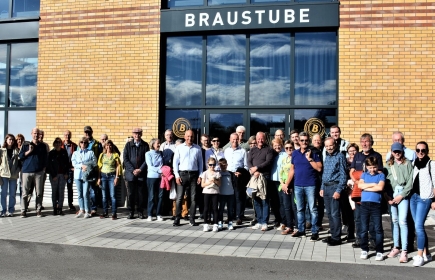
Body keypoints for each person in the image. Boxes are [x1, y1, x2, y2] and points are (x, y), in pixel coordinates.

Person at [286, 131, 322, 241]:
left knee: (312, 209)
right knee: (299, 209)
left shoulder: (314, 152)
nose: (304, 142)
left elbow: (319, 168)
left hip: (310, 185)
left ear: (309, 141)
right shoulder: (295, 153)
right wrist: (287, 184)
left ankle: (315, 232)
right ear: (299, 141)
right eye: (302, 140)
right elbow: (292, 170)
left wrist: (310, 158)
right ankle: (301, 230)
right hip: (298, 185)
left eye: (306, 140)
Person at [349, 133, 383, 249]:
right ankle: (360, 240)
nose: (364, 144)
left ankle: (373, 241)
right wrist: (356, 182)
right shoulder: (357, 155)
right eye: (362, 142)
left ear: (371, 142)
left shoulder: (377, 156)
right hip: (359, 191)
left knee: (373, 220)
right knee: (358, 217)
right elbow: (352, 171)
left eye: (367, 141)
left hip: (371, 192)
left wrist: (366, 184)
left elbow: (380, 173)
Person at [384, 142, 412, 263]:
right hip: (391, 194)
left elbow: (410, 182)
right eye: (394, 151)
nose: (396, 153)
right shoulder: (388, 165)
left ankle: (404, 250)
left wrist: (402, 195)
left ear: (402, 151)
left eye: (398, 151)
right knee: (394, 221)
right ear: (391, 152)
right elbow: (384, 182)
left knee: (402, 221)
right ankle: (396, 247)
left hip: (403, 194)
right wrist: (387, 196)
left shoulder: (408, 164)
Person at [410, 141, 435, 267]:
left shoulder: (432, 164)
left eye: (423, 150)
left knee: (419, 226)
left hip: (425, 198)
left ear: (427, 151)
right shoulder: (414, 163)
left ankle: (419, 256)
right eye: (418, 150)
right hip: (413, 197)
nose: (420, 152)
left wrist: (434, 201)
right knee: (418, 226)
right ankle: (427, 253)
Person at [173, 129, 203, 226]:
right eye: (188, 136)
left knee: (193, 198)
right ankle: (177, 218)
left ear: (194, 137)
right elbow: (175, 163)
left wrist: (200, 175)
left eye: (192, 136)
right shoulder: (179, 148)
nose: (190, 138)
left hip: (194, 175)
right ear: (185, 137)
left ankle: (192, 219)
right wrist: (177, 176)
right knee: (179, 198)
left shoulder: (197, 148)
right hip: (182, 174)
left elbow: (201, 163)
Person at [320, 137, 347, 246]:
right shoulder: (327, 157)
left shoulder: (340, 156)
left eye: (330, 145)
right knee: (330, 214)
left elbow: (343, 176)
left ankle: (337, 238)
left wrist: (339, 190)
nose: (329, 148)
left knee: (335, 213)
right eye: (326, 146)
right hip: (326, 187)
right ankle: (333, 234)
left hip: (334, 187)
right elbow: (325, 174)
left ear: (335, 144)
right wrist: (322, 187)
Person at [358, 156, 385, 261]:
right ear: (366, 167)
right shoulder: (364, 174)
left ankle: (379, 251)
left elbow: (380, 187)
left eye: (374, 167)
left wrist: (367, 186)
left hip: (376, 205)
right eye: (370, 167)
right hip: (364, 204)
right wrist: (373, 184)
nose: (372, 170)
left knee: (378, 229)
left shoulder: (381, 175)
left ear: (377, 166)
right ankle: (364, 249)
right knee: (364, 229)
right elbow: (360, 186)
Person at [247, 132, 274, 231]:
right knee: (255, 199)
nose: (260, 140)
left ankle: (264, 222)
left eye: (262, 138)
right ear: (256, 139)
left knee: (264, 200)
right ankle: (258, 221)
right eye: (258, 139)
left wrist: (257, 168)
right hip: (254, 177)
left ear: (265, 139)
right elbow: (248, 161)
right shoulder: (252, 150)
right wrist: (253, 170)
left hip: (264, 177)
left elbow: (268, 162)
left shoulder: (269, 150)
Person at [19, 128, 48, 218]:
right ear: (31, 134)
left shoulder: (42, 146)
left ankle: (38, 210)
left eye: (37, 133)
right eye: (34, 133)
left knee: (39, 192)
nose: (36, 135)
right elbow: (20, 157)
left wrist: (43, 168)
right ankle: (23, 210)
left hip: (39, 172)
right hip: (27, 171)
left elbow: (45, 158)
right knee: (25, 193)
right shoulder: (26, 144)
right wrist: (29, 151)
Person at [123, 127, 149, 219]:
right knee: (131, 194)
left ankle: (140, 212)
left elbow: (147, 160)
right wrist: (133, 170)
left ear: (141, 134)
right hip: (131, 174)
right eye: (135, 133)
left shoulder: (145, 145)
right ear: (133, 134)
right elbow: (125, 159)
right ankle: (131, 212)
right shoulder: (128, 145)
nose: (137, 135)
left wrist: (140, 169)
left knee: (141, 194)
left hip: (141, 174)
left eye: (138, 133)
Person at [224, 132, 249, 225]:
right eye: (233, 139)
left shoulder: (243, 151)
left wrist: (241, 172)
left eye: (236, 139)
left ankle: (239, 217)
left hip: (238, 176)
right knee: (230, 197)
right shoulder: (226, 151)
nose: (235, 141)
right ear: (230, 140)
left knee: (239, 197)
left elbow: (246, 166)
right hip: (228, 175)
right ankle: (230, 216)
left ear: (239, 140)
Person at [72, 137, 97, 219]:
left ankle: (87, 211)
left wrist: (87, 166)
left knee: (85, 193)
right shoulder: (75, 153)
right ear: (79, 143)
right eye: (81, 142)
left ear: (87, 144)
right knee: (80, 194)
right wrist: (81, 166)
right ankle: (81, 209)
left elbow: (94, 162)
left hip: (87, 176)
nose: (83, 144)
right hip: (78, 175)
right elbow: (74, 163)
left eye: (85, 143)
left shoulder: (90, 152)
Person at [97, 139, 121, 220]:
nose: (109, 146)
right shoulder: (102, 155)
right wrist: (99, 178)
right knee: (104, 196)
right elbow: (99, 167)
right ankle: (105, 212)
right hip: (103, 176)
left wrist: (117, 177)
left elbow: (118, 166)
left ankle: (114, 213)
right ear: (105, 146)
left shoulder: (115, 155)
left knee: (113, 196)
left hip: (112, 176)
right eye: (107, 145)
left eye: (110, 145)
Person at [81, 126, 101, 216]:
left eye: (89, 132)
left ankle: (93, 208)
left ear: (92, 132)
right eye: (86, 132)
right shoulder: (81, 142)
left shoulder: (96, 143)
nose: (87, 134)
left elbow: (100, 155)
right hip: (84, 171)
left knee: (93, 191)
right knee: (85, 191)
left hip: (93, 170)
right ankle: (86, 208)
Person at [47, 137, 69, 216]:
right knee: (54, 192)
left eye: (59, 142)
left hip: (62, 175)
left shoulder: (64, 152)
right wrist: (53, 175)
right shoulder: (51, 153)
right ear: (54, 144)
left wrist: (66, 173)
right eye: (56, 143)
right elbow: (49, 165)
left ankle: (60, 208)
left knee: (61, 192)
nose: (58, 144)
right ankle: (54, 208)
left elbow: (67, 163)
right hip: (54, 175)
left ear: (61, 144)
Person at [341, 143, 359, 242]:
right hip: (346, 189)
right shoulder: (345, 161)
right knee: (347, 213)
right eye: (350, 151)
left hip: (356, 188)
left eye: (354, 150)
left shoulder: (359, 161)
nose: (352, 152)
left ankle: (359, 235)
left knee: (356, 213)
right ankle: (350, 234)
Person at [0, 134, 20, 217]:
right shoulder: (1, 150)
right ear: (6, 140)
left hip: (13, 175)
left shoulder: (16, 150)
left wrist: (17, 170)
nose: (11, 141)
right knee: (3, 193)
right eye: (9, 139)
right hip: (4, 174)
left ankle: (11, 210)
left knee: (12, 194)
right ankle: (3, 210)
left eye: (12, 139)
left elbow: (19, 163)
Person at [279, 140, 297, 235]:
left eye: (291, 147)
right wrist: (282, 183)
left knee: (295, 207)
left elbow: (294, 172)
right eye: (287, 148)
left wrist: (287, 184)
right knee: (287, 207)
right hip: (284, 185)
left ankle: (297, 227)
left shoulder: (296, 158)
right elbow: (280, 173)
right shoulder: (284, 159)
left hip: (293, 185)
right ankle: (289, 226)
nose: (289, 149)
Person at [200, 157, 221, 232]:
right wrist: (209, 182)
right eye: (210, 165)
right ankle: (206, 224)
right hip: (207, 192)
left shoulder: (217, 173)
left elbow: (219, 184)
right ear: (207, 164)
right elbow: (202, 185)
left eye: (214, 165)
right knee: (206, 208)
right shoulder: (205, 173)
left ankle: (215, 224)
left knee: (215, 209)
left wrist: (215, 180)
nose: (212, 166)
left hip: (215, 192)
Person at [145, 138, 164, 222]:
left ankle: (158, 214)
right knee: (151, 196)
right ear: (153, 144)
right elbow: (150, 166)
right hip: (151, 177)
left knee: (160, 196)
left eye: (159, 143)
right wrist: (159, 170)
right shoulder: (148, 154)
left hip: (161, 178)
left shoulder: (160, 153)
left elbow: (162, 164)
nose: (159, 145)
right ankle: (150, 214)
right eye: (158, 143)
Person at [270, 138, 285, 229]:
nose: (277, 147)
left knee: (282, 202)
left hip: (281, 181)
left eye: (278, 145)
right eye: (275, 145)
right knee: (274, 202)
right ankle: (277, 219)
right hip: (272, 181)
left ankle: (283, 220)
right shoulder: (271, 155)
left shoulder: (285, 155)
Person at [61, 130, 78, 211]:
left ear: (70, 136)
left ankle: (70, 204)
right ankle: (59, 203)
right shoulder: (60, 144)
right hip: (61, 169)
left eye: (68, 135)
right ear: (64, 136)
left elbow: (77, 157)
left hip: (70, 169)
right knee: (61, 187)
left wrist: (74, 167)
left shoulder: (74, 146)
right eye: (66, 135)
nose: (67, 136)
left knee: (69, 186)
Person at [217, 158, 236, 230]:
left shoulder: (230, 173)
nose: (223, 167)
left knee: (230, 210)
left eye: (224, 165)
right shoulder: (218, 173)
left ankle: (230, 222)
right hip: (221, 194)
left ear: (227, 165)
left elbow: (234, 183)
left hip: (230, 194)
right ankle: (220, 223)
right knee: (221, 209)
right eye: (221, 165)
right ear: (219, 166)